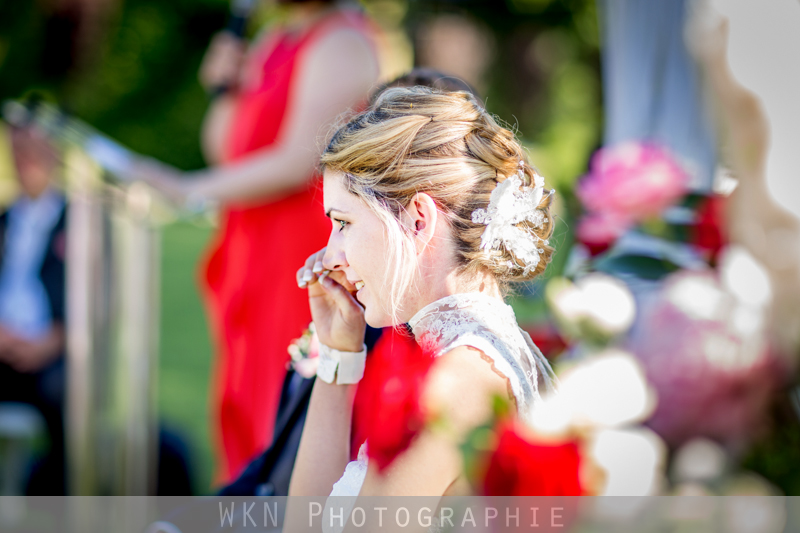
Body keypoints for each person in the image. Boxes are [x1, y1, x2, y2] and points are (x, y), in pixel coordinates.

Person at [131, 0, 379, 482]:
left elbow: (297, 160)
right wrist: (224, 89)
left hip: (297, 253)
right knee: (241, 406)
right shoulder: (272, 40)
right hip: (250, 249)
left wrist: (185, 188)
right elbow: (225, 147)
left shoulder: (342, 42)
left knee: (279, 408)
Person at [287, 87, 557, 509]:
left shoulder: (457, 380)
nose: (331, 256)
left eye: (343, 223)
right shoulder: (474, 353)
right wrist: (340, 354)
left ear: (417, 220)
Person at [0, 123, 67, 494]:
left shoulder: (80, 221)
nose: (26, 161)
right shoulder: (4, 219)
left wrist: (57, 338)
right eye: (18, 151)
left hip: (53, 350)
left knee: (67, 391)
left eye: (34, 151)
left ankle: (53, 490)